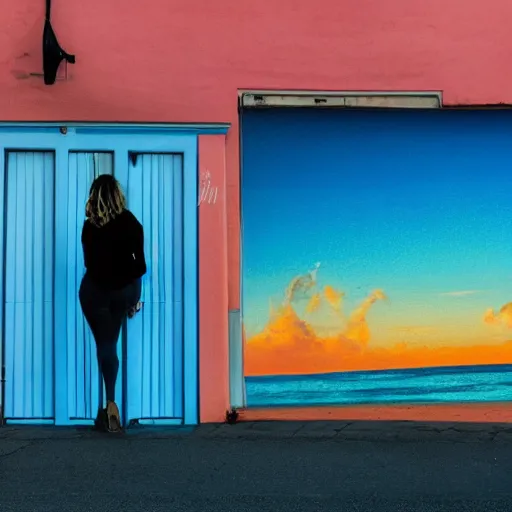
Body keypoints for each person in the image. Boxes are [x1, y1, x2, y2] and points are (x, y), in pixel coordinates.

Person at [79, 174, 147, 433]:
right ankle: (109, 406)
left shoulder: (89, 227)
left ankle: (108, 406)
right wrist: (132, 297)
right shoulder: (131, 224)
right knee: (111, 342)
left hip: (95, 292)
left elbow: (89, 263)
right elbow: (139, 266)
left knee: (104, 344)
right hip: (123, 292)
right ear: (118, 195)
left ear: (95, 196)